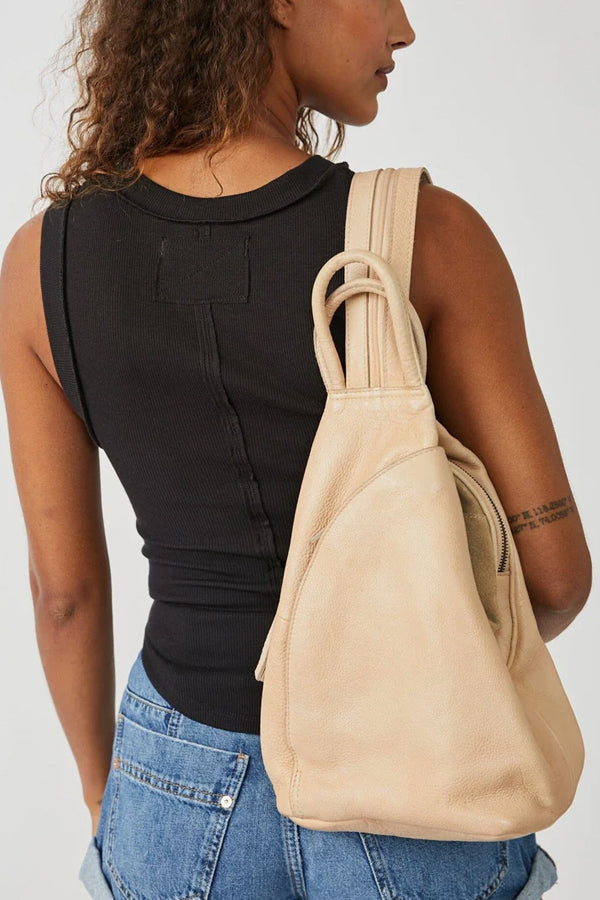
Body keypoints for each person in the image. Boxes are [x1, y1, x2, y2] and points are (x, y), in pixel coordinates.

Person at [0, 0, 591, 897]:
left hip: (172, 775)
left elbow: (65, 596)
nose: (403, 26)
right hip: (413, 772)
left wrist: (104, 794)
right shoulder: (429, 237)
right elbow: (553, 578)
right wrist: (435, 666)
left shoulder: (42, 261)